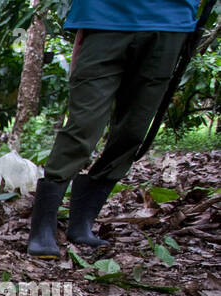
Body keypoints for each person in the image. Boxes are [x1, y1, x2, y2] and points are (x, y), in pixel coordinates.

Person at [27, 0, 203, 258]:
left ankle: (82, 222)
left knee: (133, 132)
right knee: (83, 126)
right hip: (104, 15)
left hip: (171, 21)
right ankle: (42, 227)